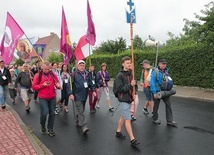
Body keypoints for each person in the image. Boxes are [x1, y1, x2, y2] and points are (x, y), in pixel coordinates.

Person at [114, 56, 140, 147]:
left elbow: (135, 85)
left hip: (129, 98)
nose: (129, 64)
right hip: (123, 99)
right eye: (127, 63)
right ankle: (132, 139)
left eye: (130, 63)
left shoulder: (131, 74)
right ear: (123, 64)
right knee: (128, 119)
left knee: (124, 116)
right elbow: (120, 89)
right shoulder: (119, 75)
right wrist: (130, 85)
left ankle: (118, 131)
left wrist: (134, 91)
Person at [32, 61, 61, 136]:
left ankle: (50, 129)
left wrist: (58, 85)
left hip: (52, 97)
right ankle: (42, 125)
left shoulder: (52, 74)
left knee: (52, 113)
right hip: (43, 97)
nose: (47, 71)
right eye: (45, 69)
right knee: (44, 113)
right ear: (42, 68)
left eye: (48, 69)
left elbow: (57, 82)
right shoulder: (38, 75)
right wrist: (43, 85)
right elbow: (34, 86)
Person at [69, 60, 96, 134]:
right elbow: (69, 85)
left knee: (82, 109)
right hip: (77, 95)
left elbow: (91, 83)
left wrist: (93, 90)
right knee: (81, 110)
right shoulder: (73, 74)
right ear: (77, 66)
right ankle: (84, 126)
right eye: (80, 65)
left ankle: (78, 120)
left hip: (84, 95)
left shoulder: (88, 74)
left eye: (83, 65)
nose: (82, 67)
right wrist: (70, 94)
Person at [150, 59, 177, 127]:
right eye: (163, 64)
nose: (164, 65)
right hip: (157, 91)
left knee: (168, 105)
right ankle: (155, 118)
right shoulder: (155, 71)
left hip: (165, 92)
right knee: (156, 105)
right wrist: (154, 93)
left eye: (165, 64)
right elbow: (152, 82)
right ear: (159, 64)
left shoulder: (166, 71)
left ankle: (169, 121)